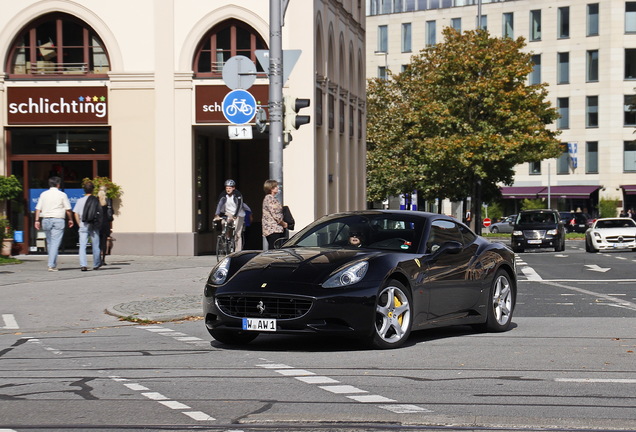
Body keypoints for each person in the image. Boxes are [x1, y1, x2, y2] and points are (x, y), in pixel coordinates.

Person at [34, 176, 74, 271]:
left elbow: (38, 208)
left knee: (50, 242)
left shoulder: (43, 194)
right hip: (58, 219)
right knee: (55, 243)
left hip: (46, 219)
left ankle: (52, 263)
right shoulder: (62, 195)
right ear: (58, 185)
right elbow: (68, 209)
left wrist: (36, 220)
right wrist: (70, 219)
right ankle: (51, 265)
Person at [73, 181, 102, 271]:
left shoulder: (80, 201)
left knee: (82, 245)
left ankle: (83, 265)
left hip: (83, 224)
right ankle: (96, 264)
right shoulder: (95, 200)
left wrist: (79, 224)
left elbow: (76, 213)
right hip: (93, 224)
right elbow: (99, 213)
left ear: (84, 190)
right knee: (96, 245)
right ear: (93, 190)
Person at [214, 179, 245, 252]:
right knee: (223, 222)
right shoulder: (223, 194)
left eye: (230, 188)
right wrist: (217, 214)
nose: (228, 190)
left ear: (233, 188)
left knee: (237, 233)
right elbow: (219, 204)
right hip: (228, 213)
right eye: (227, 188)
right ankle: (227, 237)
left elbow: (239, 205)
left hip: (239, 213)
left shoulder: (237, 194)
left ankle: (238, 251)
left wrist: (235, 215)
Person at [262, 179, 287, 249]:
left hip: (275, 229)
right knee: (274, 248)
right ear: (271, 188)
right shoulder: (269, 198)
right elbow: (275, 214)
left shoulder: (272, 198)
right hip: (273, 229)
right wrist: (283, 224)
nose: (277, 188)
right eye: (275, 186)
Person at [97, 185, 114, 265]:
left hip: (97, 223)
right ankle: (103, 259)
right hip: (105, 223)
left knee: (97, 242)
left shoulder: (96, 200)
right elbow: (111, 212)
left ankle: (98, 259)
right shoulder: (108, 200)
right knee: (104, 241)